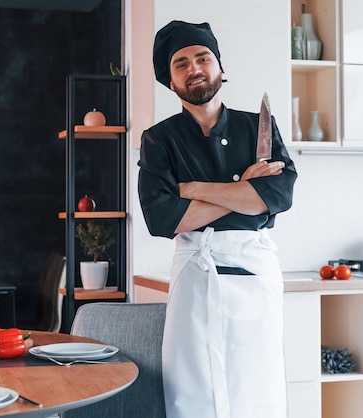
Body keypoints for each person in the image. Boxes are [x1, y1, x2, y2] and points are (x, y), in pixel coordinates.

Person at [137, 20, 297, 418]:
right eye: (181, 64)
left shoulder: (257, 127)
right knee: (193, 390)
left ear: (220, 69)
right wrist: (243, 190)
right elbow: (161, 219)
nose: (194, 68)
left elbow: (278, 196)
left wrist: (192, 189)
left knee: (256, 385)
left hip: (254, 271)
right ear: (170, 81)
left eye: (203, 58)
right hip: (196, 270)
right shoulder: (158, 139)